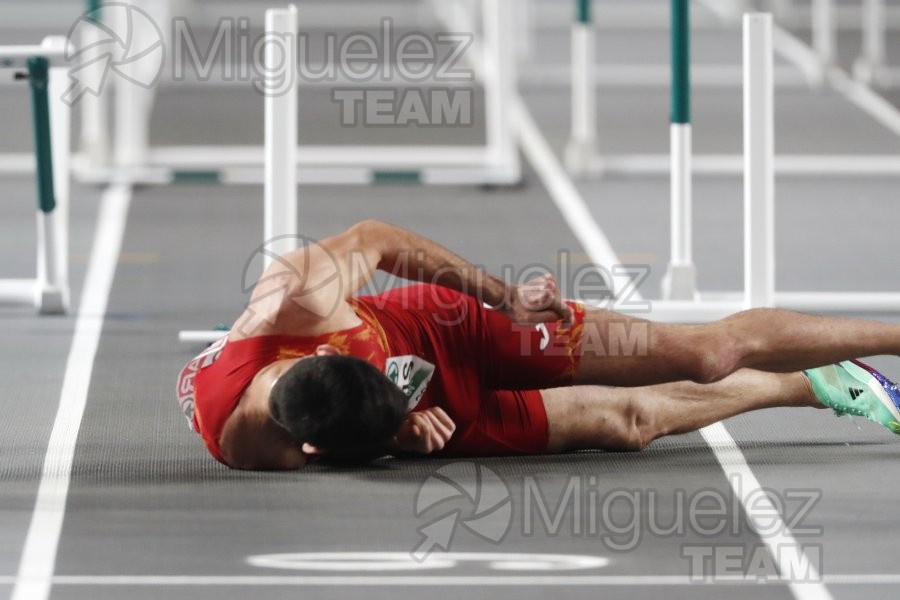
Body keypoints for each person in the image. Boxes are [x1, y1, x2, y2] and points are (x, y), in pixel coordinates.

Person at [175, 220, 900, 470]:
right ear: (305, 447)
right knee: (630, 425)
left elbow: (378, 238)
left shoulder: (294, 297)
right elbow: (336, 446)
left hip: (450, 324)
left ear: (317, 352)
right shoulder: (248, 447)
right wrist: (403, 431)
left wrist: (498, 296)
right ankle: (822, 382)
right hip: (432, 419)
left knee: (705, 356)